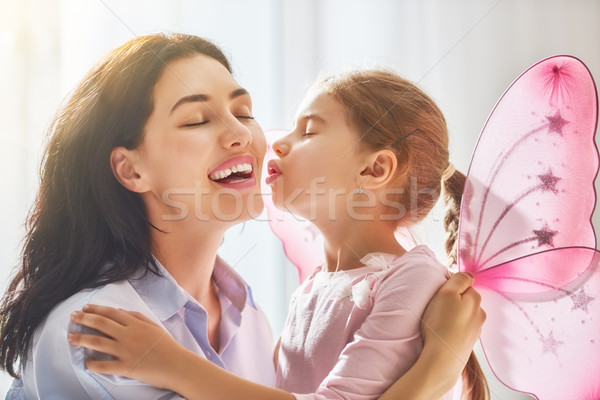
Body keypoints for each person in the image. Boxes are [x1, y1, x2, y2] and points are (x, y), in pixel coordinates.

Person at [0, 33, 484, 399]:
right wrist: (434, 370)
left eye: (244, 111)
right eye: (197, 119)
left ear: (376, 168)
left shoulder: (251, 320)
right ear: (131, 169)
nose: (246, 136)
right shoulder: (98, 328)